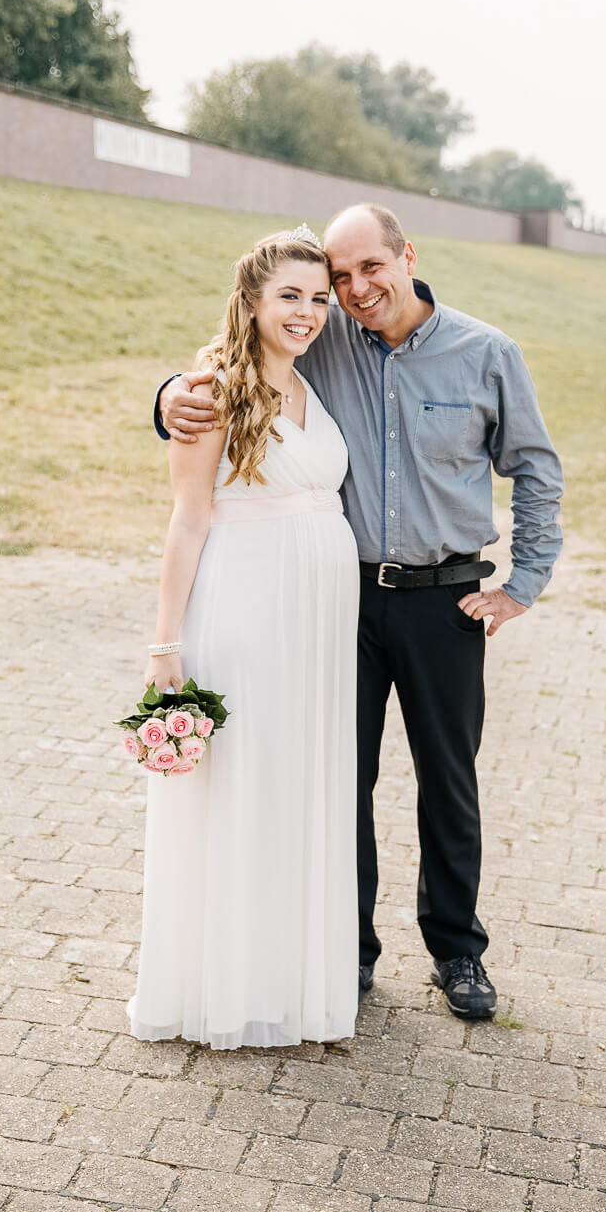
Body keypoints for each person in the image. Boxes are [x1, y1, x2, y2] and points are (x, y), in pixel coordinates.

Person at [155, 204, 563, 1021]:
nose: (352, 289)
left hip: (447, 598)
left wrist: (523, 583)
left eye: (368, 268)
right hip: (343, 607)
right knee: (344, 776)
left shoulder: (486, 353)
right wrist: (168, 397)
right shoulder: (328, 335)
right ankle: (347, 951)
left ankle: (457, 953)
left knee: (449, 779)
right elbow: (240, 359)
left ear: (407, 256)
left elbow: (535, 468)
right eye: (340, 278)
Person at [126, 227, 359, 1050]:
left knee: (292, 792)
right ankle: (224, 989)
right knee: (241, 792)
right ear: (252, 300)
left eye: (318, 299)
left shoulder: (310, 384)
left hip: (317, 631)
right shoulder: (213, 389)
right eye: (290, 296)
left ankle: (286, 979)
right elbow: (188, 521)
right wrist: (165, 645)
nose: (307, 313)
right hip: (246, 610)